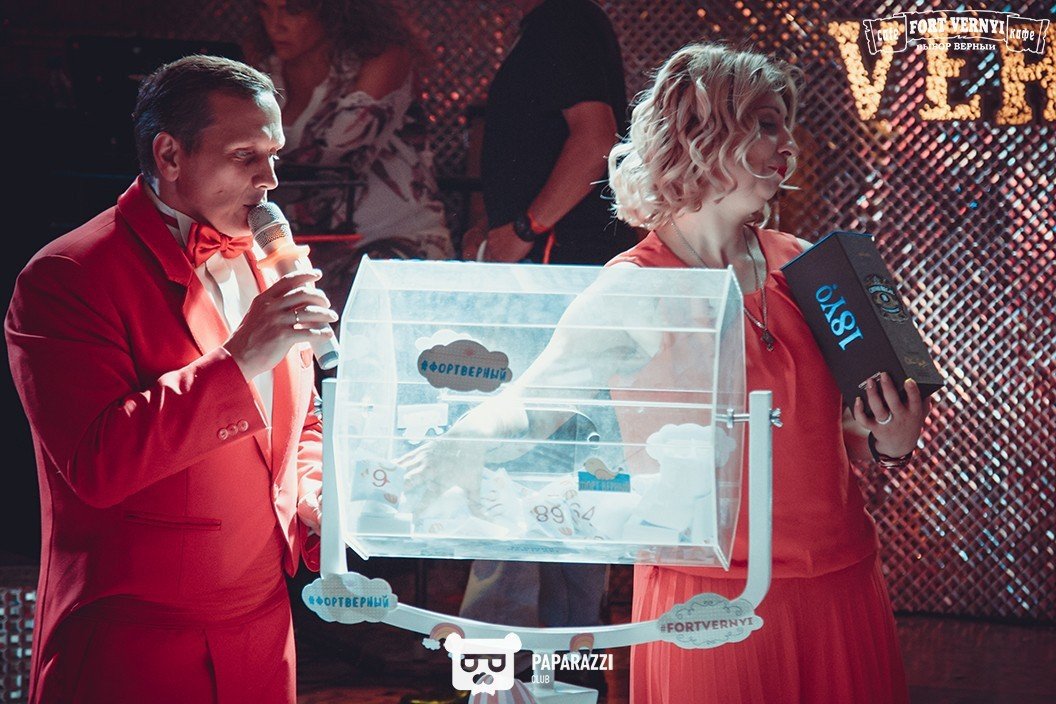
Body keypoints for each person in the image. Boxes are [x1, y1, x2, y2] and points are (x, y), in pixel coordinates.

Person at [6, 55, 336, 704]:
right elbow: (98, 465)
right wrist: (239, 361)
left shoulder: (268, 257)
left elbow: (301, 417)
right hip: (134, 644)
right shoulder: (67, 276)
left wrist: (313, 491)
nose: (270, 180)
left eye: (273, 155)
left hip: (265, 634)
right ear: (169, 154)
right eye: (245, 155)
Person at [605, 43, 928, 703]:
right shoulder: (635, 287)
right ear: (699, 131)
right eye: (765, 124)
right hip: (710, 599)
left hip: (839, 581)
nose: (788, 145)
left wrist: (893, 436)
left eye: (786, 124)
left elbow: (854, 435)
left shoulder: (812, 269)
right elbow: (541, 409)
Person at [250, 0, 453, 316]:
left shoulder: (383, 61)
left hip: (395, 245)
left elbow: (335, 153)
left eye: (293, 10)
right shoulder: (263, 73)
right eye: (266, 8)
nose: (275, 24)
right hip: (303, 254)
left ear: (333, 9)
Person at [460, 0, 637, 265]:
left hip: (562, 257)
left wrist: (525, 229)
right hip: (551, 252)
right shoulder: (552, 23)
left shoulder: (562, 19)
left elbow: (595, 141)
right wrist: (492, 226)